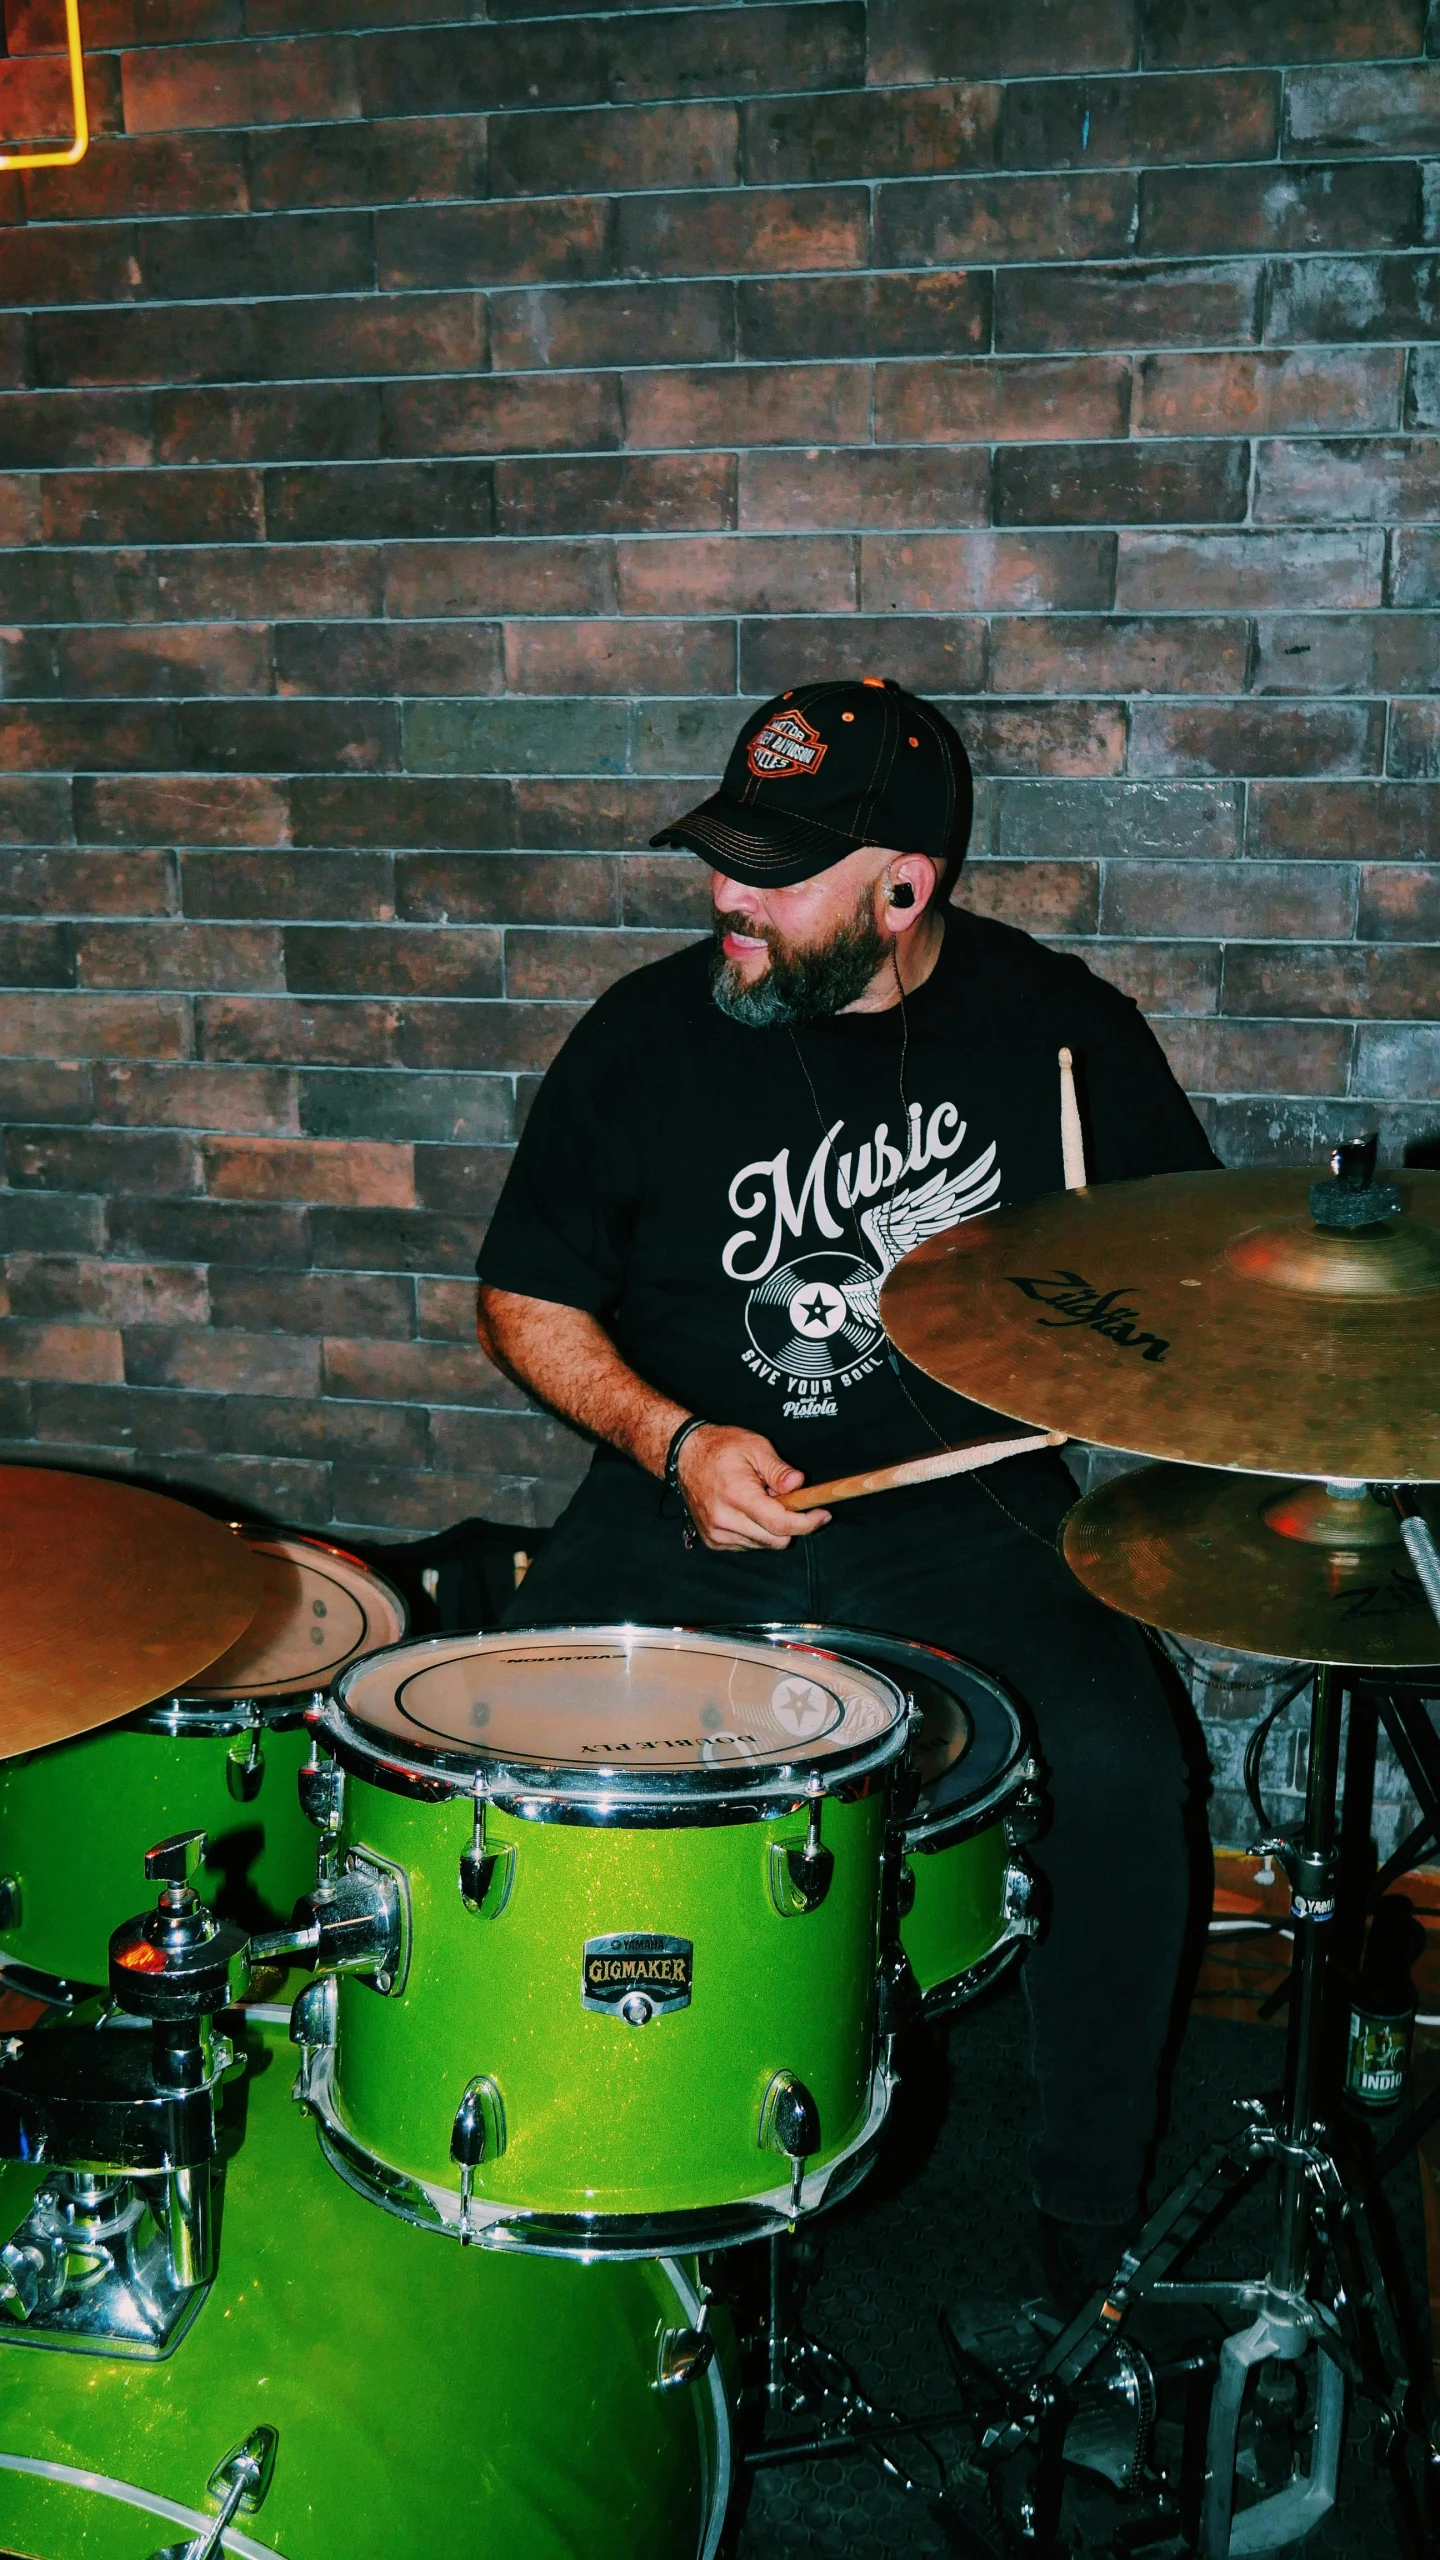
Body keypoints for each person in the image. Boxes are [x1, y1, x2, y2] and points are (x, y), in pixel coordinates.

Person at [476, 676, 1217, 2308]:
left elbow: (1197, 1287)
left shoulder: (1060, 1031)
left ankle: (1085, 2262)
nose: (723, 899)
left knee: (1126, 1773)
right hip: (681, 1506)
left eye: (775, 870)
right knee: (511, 1781)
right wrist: (673, 1441)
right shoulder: (643, 1035)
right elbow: (525, 1299)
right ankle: (562, 2204)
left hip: (966, 1522)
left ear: (904, 888)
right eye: (722, 856)